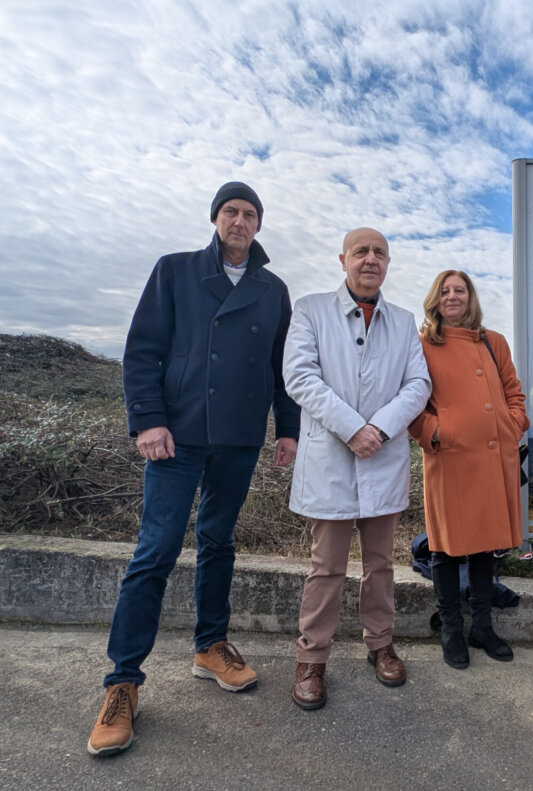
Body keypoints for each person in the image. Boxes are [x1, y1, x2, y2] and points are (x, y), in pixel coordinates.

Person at [88, 182, 300, 756]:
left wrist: (288, 428)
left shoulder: (272, 289)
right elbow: (144, 350)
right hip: (176, 435)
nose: (240, 220)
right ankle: (122, 682)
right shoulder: (175, 270)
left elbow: (283, 369)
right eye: (231, 211)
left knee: (218, 541)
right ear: (215, 219)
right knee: (154, 551)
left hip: (237, 437)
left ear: (259, 226)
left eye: (250, 214)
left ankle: (211, 647)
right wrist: (149, 420)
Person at [284, 227, 430, 710]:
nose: (371, 259)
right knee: (325, 567)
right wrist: (352, 427)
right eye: (362, 251)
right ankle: (312, 658)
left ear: (388, 264)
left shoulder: (404, 321)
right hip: (332, 456)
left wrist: (381, 428)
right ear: (343, 259)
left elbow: (418, 385)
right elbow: (300, 376)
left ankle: (380, 644)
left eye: (380, 253)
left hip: (382, 456)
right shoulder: (310, 310)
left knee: (381, 565)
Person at [409, 270, 529, 669]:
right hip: (449, 459)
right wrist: (436, 432)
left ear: (471, 297)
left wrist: (513, 424)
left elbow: (514, 391)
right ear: (435, 299)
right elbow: (409, 401)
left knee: (485, 545)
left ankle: (482, 625)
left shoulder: (494, 342)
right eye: (445, 290)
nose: (453, 296)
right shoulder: (423, 344)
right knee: (445, 547)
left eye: (460, 290)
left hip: (494, 458)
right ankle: (451, 630)